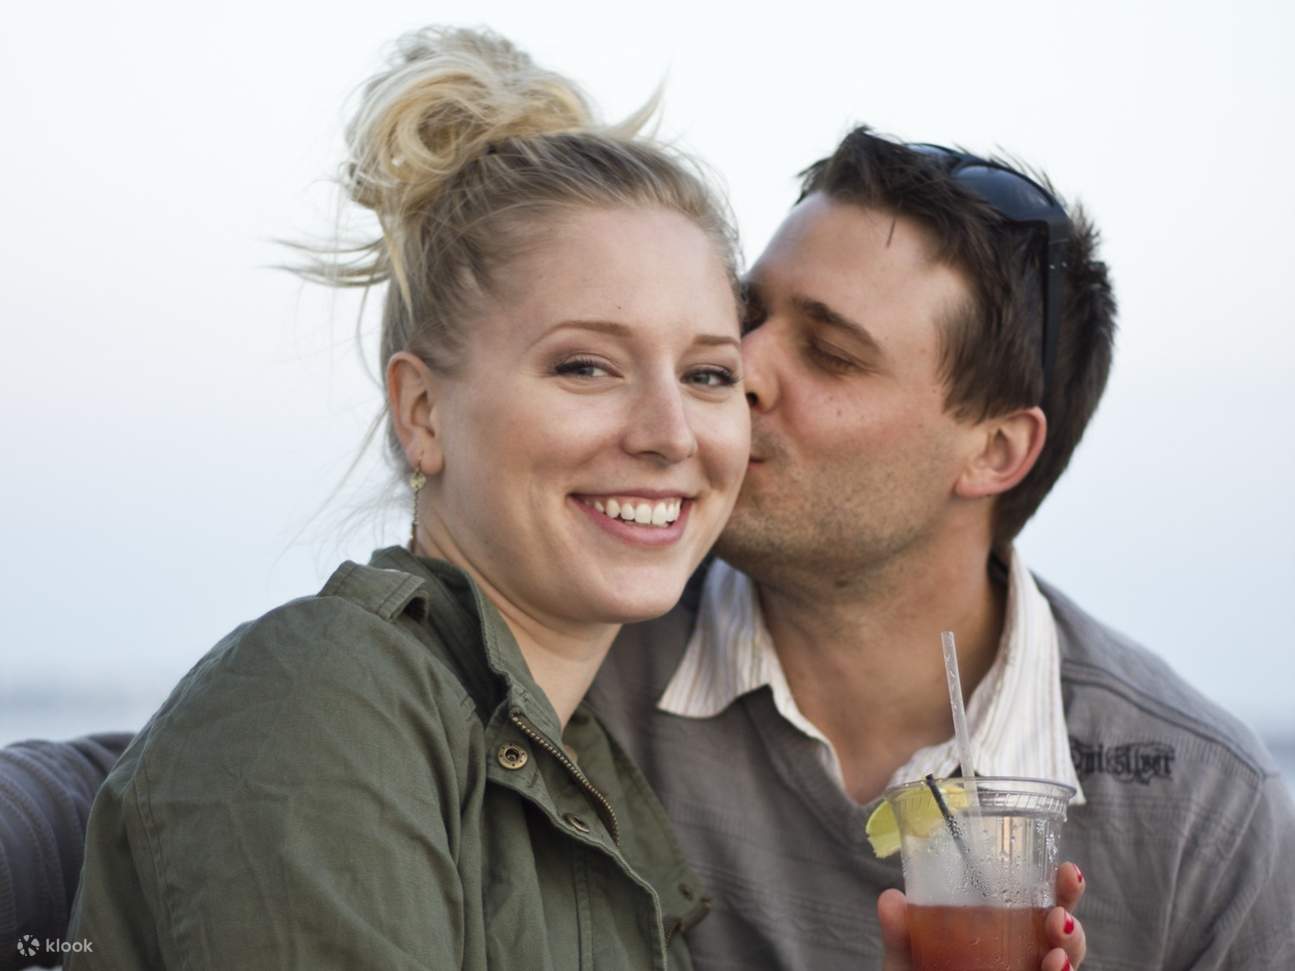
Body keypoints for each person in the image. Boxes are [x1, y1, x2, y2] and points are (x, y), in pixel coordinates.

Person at [54, 25, 757, 970]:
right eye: (586, 365)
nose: (671, 433)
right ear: (422, 411)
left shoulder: (582, 765)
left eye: (710, 375)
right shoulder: (320, 703)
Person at [587, 128, 1295, 970]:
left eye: (831, 353)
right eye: (749, 313)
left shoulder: (1203, 815)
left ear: (994, 451)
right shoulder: (580, 664)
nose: (738, 367)